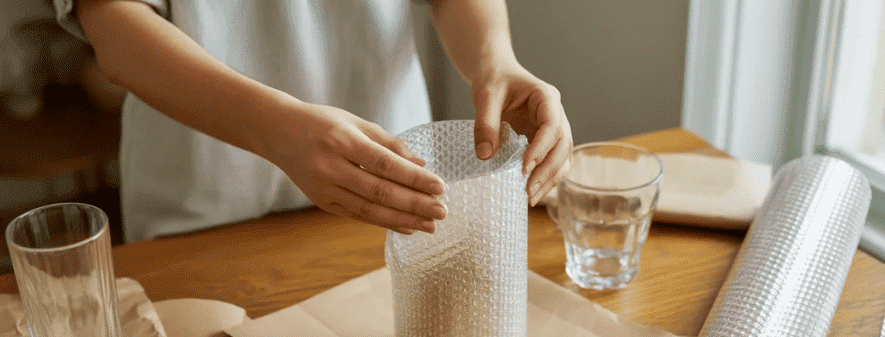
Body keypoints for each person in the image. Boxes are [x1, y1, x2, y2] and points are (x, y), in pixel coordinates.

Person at [53, 0, 572, 241]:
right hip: (202, 216)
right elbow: (113, 21)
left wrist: (494, 63)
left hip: (389, 201)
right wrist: (275, 129)